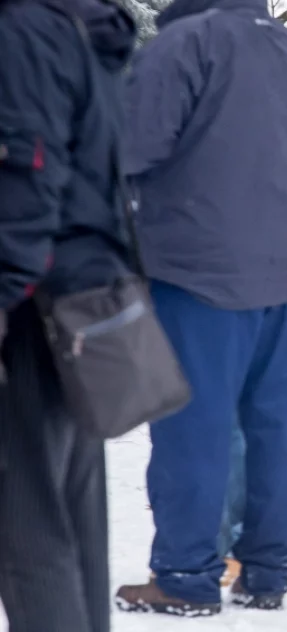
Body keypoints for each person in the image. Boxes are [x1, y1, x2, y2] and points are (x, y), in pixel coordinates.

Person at [116, 0, 287, 616]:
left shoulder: (184, 44)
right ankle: (266, 570)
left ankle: (186, 577)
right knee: (275, 429)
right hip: (284, 276)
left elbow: (128, 151)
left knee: (192, 429)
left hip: (195, 275)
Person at [0, 0, 137, 629]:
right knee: (72, 519)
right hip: (81, 292)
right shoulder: (71, 23)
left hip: (33, 305)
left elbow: (25, 174)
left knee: (27, 529)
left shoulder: (21, 29)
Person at [218, 270, 287, 589]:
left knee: (226, 430)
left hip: (216, 295)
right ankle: (265, 557)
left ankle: (226, 545)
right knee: (272, 431)